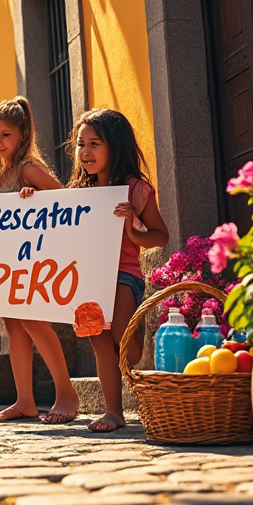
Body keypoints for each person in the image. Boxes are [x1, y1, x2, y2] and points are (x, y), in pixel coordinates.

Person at [0, 97, 79, 424]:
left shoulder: (29, 168)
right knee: (14, 328)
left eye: (5, 135)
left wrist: (38, 197)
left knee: (33, 323)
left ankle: (66, 394)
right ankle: (25, 401)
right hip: (7, 262)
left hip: (32, 260)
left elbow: (67, 201)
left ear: (23, 135)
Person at [66, 108, 169, 433]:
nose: (85, 152)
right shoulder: (78, 192)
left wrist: (131, 227)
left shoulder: (136, 189)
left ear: (115, 145)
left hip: (124, 274)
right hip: (88, 278)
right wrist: (30, 198)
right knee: (98, 342)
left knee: (126, 346)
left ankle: (136, 343)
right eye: (81, 144)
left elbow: (160, 235)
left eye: (94, 144)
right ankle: (114, 412)